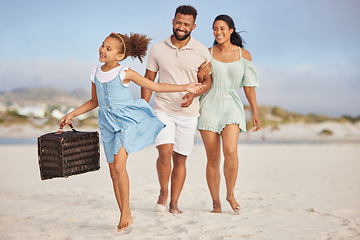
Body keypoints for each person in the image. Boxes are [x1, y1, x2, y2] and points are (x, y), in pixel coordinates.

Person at [61, 32, 203, 231]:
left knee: (119, 166)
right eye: (102, 45)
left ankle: (125, 212)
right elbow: (95, 101)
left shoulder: (124, 72)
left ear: (119, 56)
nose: (102, 50)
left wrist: (185, 86)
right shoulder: (95, 72)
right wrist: (72, 114)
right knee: (113, 172)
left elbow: (156, 86)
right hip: (106, 124)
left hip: (126, 121)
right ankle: (124, 212)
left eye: (108, 48)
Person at [141, 5, 212, 214]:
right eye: (179, 22)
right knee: (165, 152)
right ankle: (163, 192)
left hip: (189, 114)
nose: (182, 27)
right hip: (162, 109)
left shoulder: (201, 51)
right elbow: (148, 80)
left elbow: (207, 82)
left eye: (186, 24)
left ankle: (174, 203)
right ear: (173, 22)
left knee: (180, 159)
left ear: (194, 26)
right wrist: (144, 108)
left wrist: (194, 94)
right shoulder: (157, 49)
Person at [197, 15, 261, 213]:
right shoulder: (207, 53)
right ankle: (216, 203)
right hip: (209, 104)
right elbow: (201, 81)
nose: (218, 32)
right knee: (213, 158)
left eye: (222, 28)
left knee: (231, 151)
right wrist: (200, 75)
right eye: (215, 29)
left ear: (231, 30)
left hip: (232, 104)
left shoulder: (244, 55)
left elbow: (249, 87)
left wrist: (255, 113)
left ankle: (230, 194)